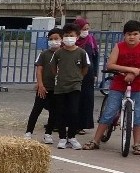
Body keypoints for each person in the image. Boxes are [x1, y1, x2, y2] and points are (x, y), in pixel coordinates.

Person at [82, 20, 140, 153]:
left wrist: (135, 73)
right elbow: (111, 65)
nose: (132, 37)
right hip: (119, 84)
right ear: (124, 35)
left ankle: (137, 144)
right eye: (129, 34)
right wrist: (130, 70)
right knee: (109, 112)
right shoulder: (119, 46)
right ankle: (95, 140)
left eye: (135, 34)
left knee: (138, 115)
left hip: (138, 85)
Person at [51, 23, 90, 149]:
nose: (69, 38)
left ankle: (72, 136)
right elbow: (53, 66)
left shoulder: (82, 53)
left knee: (74, 111)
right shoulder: (58, 53)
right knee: (61, 112)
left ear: (77, 37)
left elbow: (85, 68)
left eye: (71, 36)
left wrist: (79, 78)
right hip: (60, 86)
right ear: (62, 38)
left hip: (75, 86)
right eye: (66, 36)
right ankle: (62, 137)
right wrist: (57, 76)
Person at [24, 28, 62, 144]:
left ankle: (48, 134)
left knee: (54, 112)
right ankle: (28, 132)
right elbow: (39, 70)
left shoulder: (64, 54)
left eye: (56, 39)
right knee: (36, 110)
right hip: (44, 87)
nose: (53, 41)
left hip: (58, 89)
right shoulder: (44, 54)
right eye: (51, 39)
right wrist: (40, 84)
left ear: (61, 39)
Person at [75, 17, 100, 133]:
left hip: (88, 74)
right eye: (83, 29)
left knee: (86, 99)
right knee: (74, 98)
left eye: (87, 29)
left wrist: (95, 73)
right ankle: (71, 123)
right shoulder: (73, 40)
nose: (86, 31)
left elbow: (95, 56)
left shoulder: (91, 40)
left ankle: (82, 124)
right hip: (74, 73)